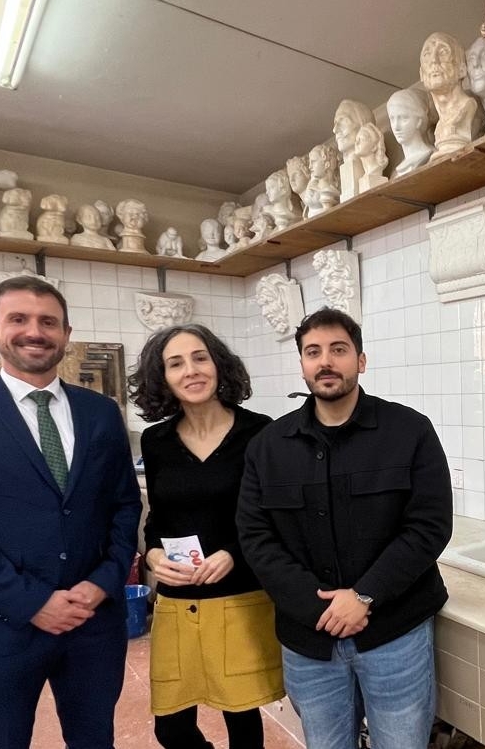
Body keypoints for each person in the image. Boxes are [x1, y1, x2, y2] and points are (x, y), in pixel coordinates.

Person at [0, 276, 141, 749]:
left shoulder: (100, 412)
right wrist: (32, 602)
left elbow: (123, 506)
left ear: (66, 333)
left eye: (48, 322)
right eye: (18, 319)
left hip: (92, 625)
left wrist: (102, 583)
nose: (35, 331)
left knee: (95, 741)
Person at [237, 308, 452, 749]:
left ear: (361, 360)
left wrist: (364, 595)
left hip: (395, 633)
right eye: (313, 352)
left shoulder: (409, 430)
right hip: (309, 639)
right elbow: (256, 537)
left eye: (338, 349)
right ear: (302, 364)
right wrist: (316, 606)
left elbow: (429, 525)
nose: (326, 361)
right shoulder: (268, 447)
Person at [131, 324, 284, 749]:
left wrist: (234, 554)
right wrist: (154, 556)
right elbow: (158, 519)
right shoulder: (156, 441)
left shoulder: (260, 433)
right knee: (171, 727)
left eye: (200, 358)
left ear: (219, 365)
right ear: (163, 377)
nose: (191, 370)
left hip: (241, 595)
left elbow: (276, 518)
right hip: (179, 598)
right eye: (176, 363)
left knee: (241, 716)